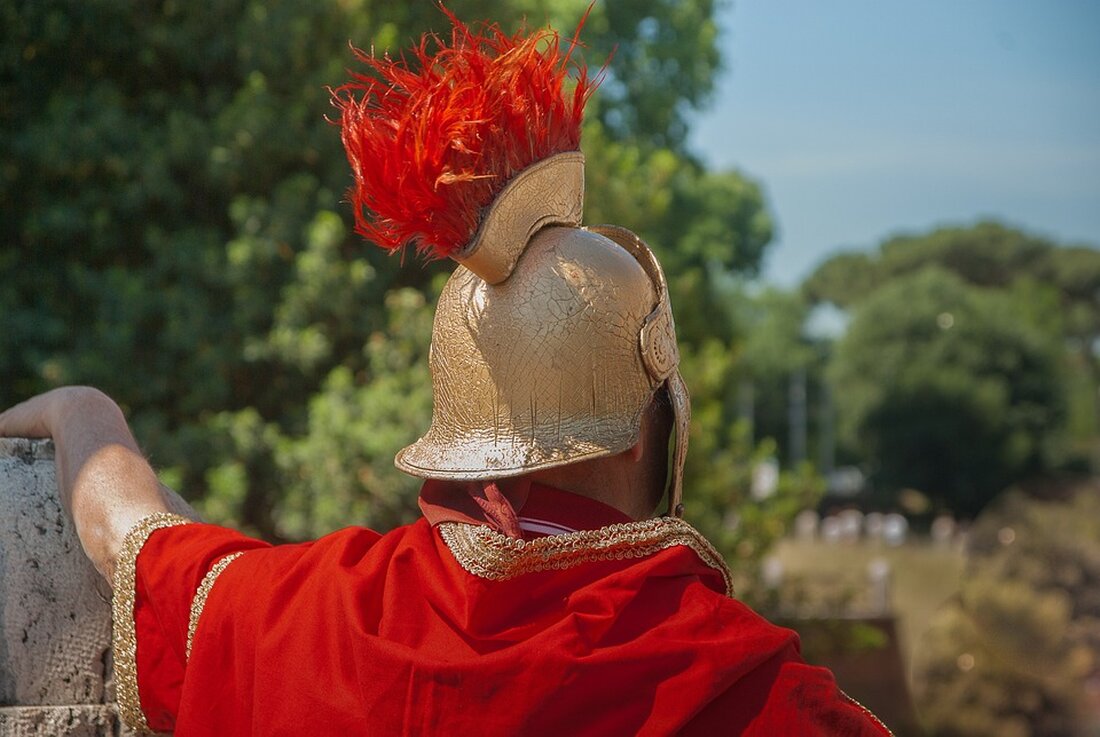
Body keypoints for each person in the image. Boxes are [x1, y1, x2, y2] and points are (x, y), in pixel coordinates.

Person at [0, 11, 891, 736]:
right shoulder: (746, 688)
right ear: (649, 422)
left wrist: (84, 406)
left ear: (463, 426)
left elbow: (133, 540)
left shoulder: (314, 619)